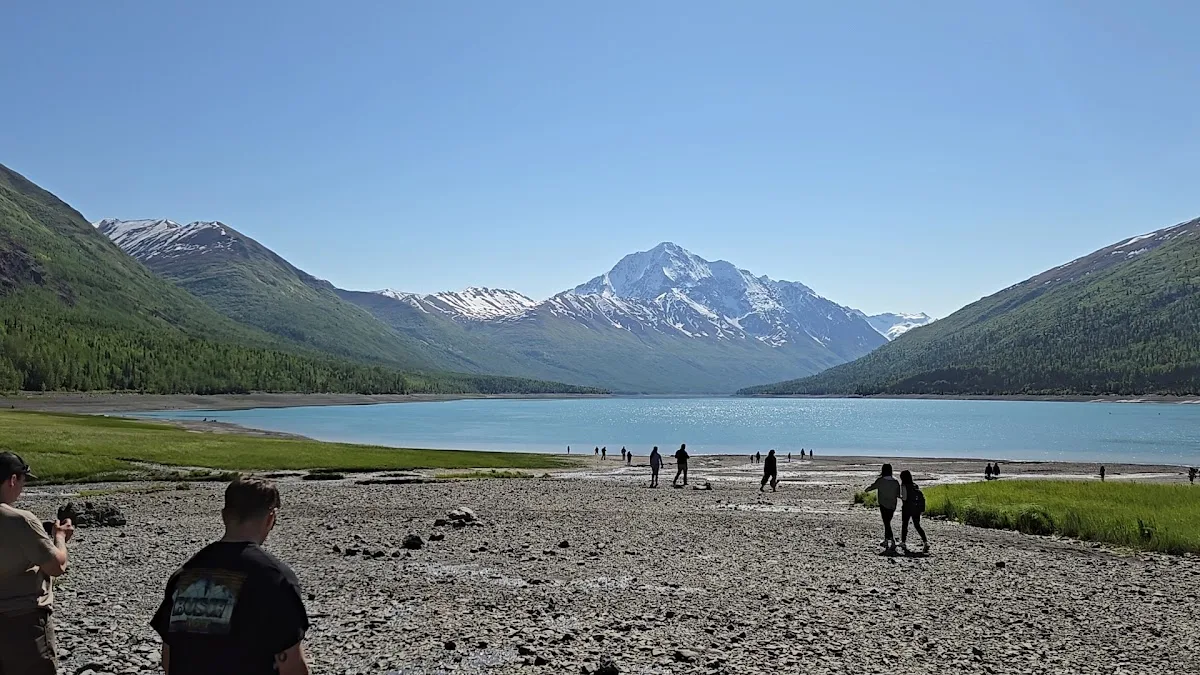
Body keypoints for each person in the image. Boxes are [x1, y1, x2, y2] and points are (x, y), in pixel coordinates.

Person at [152, 477, 311, 675]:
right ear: (271, 517)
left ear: (224, 515)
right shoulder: (275, 577)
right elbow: (291, 665)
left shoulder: (185, 574)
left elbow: (169, 657)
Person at [0, 452, 73, 675]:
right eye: (23, 482)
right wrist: (60, 537)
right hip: (22, 622)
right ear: (13, 480)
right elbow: (57, 565)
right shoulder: (20, 520)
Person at [863, 464, 901, 551]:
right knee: (887, 522)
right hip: (893, 505)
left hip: (883, 504)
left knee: (886, 523)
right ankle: (886, 540)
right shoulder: (895, 481)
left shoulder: (881, 480)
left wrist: (866, 490)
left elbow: (872, 487)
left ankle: (892, 540)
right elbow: (898, 494)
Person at [898, 470, 929, 553]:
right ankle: (925, 542)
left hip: (907, 508)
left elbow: (904, 498)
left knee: (905, 525)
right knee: (917, 525)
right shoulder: (915, 485)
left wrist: (899, 496)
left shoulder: (904, 485)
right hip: (916, 509)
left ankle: (903, 542)